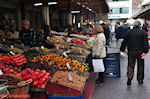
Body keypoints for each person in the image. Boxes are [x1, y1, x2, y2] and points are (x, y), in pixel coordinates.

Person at [120, 21, 149, 86]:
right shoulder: (143, 33)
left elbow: (124, 42)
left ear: (133, 25)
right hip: (140, 52)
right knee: (140, 66)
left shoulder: (128, 32)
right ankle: (140, 80)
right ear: (140, 25)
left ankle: (129, 78)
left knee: (130, 65)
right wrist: (145, 51)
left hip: (131, 51)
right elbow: (146, 43)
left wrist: (122, 49)